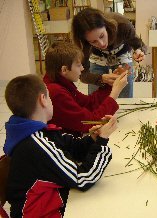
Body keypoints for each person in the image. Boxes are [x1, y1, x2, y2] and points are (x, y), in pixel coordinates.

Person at [4, 74, 117, 217]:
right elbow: (83, 178)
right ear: (43, 100)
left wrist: (93, 138)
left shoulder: (35, 130)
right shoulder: (36, 144)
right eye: (49, 97)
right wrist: (103, 140)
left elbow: (72, 148)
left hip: (48, 201)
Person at [43, 41, 127, 137]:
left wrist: (110, 85)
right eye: (78, 65)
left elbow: (89, 103)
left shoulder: (61, 81)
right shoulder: (56, 93)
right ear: (64, 70)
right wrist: (115, 93)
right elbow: (90, 122)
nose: (82, 69)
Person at [72, 7, 146, 97]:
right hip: (97, 57)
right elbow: (83, 75)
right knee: (95, 98)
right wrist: (100, 78)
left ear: (106, 25)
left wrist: (139, 51)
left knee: (125, 96)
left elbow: (138, 43)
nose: (102, 43)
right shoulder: (83, 45)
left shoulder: (122, 24)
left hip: (122, 54)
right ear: (86, 41)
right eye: (93, 41)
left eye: (102, 35)